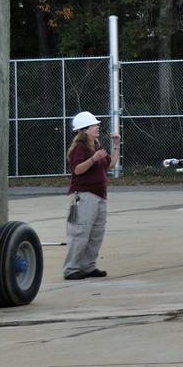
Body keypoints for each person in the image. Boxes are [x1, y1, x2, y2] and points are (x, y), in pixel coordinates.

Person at [63, 111, 120, 280]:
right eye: (94, 125)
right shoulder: (79, 148)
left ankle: (88, 266)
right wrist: (93, 159)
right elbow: (77, 169)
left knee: (96, 233)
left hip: (99, 195)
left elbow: (110, 164)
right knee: (80, 233)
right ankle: (72, 268)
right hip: (83, 195)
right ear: (85, 129)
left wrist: (116, 146)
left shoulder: (96, 144)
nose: (97, 127)